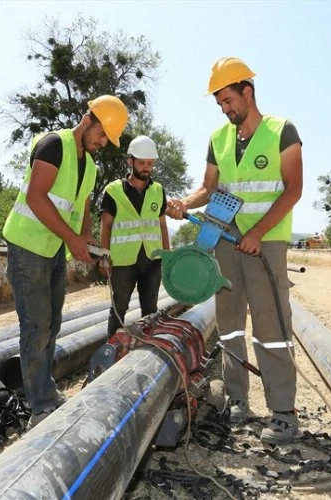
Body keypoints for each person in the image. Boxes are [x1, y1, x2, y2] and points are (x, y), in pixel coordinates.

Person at [166, 57, 303, 444]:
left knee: (270, 325)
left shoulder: (282, 131)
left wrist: (259, 232)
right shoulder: (218, 139)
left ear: (248, 91)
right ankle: (237, 399)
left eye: (229, 100)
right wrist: (183, 203)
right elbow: (208, 189)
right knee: (228, 323)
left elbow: (293, 189)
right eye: (220, 104)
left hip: (266, 242)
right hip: (223, 238)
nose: (225, 109)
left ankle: (283, 412)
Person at [2, 95, 129, 429]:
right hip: (27, 247)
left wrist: (88, 241)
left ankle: (45, 391)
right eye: (102, 134)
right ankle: (40, 405)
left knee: (52, 324)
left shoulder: (89, 164)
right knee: (36, 327)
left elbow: (81, 209)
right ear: (89, 119)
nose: (103, 143)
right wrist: (71, 239)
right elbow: (36, 196)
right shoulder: (52, 145)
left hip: (53, 248)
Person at [99, 135, 170, 337]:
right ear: (130, 162)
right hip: (122, 261)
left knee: (151, 311)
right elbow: (106, 225)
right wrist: (104, 257)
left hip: (152, 260)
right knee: (118, 310)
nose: (146, 167)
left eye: (150, 163)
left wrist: (167, 254)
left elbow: (162, 225)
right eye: (142, 163)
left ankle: (146, 352)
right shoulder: (113, 191)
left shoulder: (158, 191)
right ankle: (111, 353)